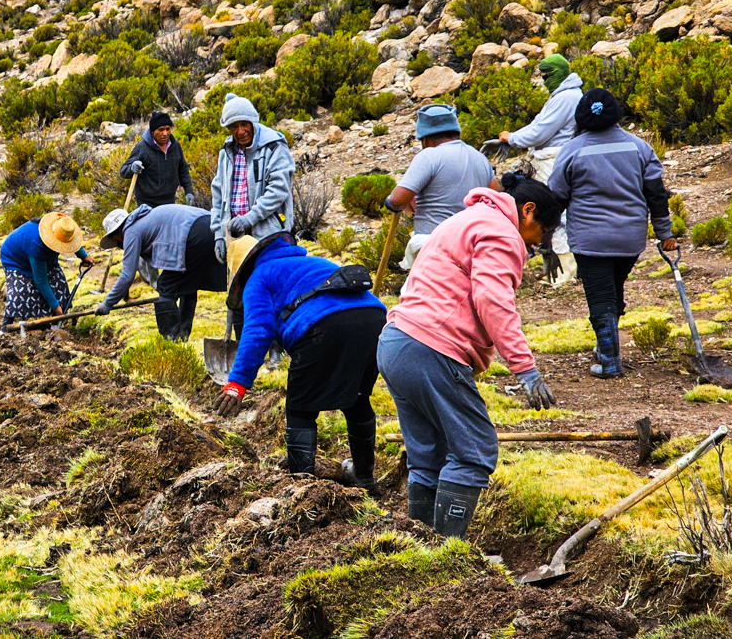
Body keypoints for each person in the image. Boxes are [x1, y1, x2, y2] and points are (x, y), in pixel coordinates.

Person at [377, 173, 562, 538]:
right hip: (432, 348)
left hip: (397, 343)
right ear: (528, 211)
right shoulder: (501, 233)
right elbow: (493, 301)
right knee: (474, 450)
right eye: (543, 230)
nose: (541, 241)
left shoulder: (465, 219)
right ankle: (448, 554)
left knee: (428, 455)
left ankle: (421, 551)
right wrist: (526, 369)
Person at [211, 233, 386, 489]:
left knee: (300, 408)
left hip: (322, 327)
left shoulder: (259, 277)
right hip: (375, 322)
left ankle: (302, 487)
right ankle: (364, 476)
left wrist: (237, 383)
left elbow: (258, 331)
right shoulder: (315, 262)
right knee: (358, 398)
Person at [548, 88, 677, 379]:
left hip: (589, 239)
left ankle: (609, 360)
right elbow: (656, 194)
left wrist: (546, 238)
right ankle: (606, 346)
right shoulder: (639, 147)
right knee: (613, 289)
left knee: (600, 296)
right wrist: (664, 233)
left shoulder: (572, 150)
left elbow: (557, 196)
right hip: (629, 239)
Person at [498, 54, 584, 285]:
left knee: (555, 213)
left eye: (547, 76)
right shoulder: (565, 95)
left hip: (553, 159)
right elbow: (538, 125)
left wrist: (512, 138)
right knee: (550, 211)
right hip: (550, 157)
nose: (544, 81)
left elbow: (541, 131)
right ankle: (555, 267)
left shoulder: (566, 97)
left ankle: (567, 271)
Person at [385, 104, 496, 270]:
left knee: (421, 295)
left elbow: (398, 200)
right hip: (474, 246)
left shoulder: (429, 156)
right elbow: (496, 196)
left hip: (435, 246)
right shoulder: (479, 157)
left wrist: (391, 203)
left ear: (425, 139)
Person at [94, 203, 226, 340]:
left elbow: (127, 275)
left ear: (116, 235)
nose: (118, 243)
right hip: (211, 226)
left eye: (115, 240)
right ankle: (183, 334)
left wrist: (107, 303)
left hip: (192, 235)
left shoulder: (131, 231)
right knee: (187, 282)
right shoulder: (145, 220)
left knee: (166, 286)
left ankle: (170, 338)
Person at [210, 93, 295, 266]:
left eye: (244, 124)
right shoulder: (226, 152)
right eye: (234, 126)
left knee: (269, 283)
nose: (240, 131)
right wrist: (219, 234)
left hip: (269, 233)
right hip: (235, 234)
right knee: (239, 287)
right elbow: (218, 194)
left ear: (252, 122)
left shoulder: (273, 146)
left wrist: (249, 218)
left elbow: (279, 190)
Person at [0, 212, 94, 332]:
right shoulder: (37, 244)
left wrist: (83, 256)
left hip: (42, 256)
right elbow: (40, 280)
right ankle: (4, 328)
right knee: (20, 292)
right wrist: (55, 306)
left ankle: (54, 325)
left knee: (59, 283)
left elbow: (71, 241)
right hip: (16, 260)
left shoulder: (62, 225)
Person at [120, 112, 195, 209]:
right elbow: (123, 171)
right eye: (161, 130)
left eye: (168, 129)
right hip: (146, 206)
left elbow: (183, 170)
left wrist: (189, 191)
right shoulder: (142, 148)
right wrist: (132, 167)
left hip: (169, 203)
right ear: (152, 131)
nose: (165, 133)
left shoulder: (175, 146)